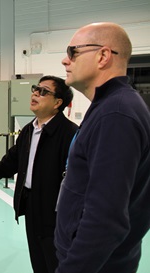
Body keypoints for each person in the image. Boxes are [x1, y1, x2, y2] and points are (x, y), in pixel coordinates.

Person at [55, 22, 150, 273]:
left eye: (72, 51)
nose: (65, 61)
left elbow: (106, 220)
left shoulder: (116, 114)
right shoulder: (111, 106)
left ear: (103, 56)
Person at [0, 75, 78, 273]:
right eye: (36, 89)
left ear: (58, 103)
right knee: (38, 260)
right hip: (31, 205)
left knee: (57, 263)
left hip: (55, 211)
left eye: (44, 91)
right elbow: (11, 162)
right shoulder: (29, 130)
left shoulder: (70, 133)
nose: (36, 93)